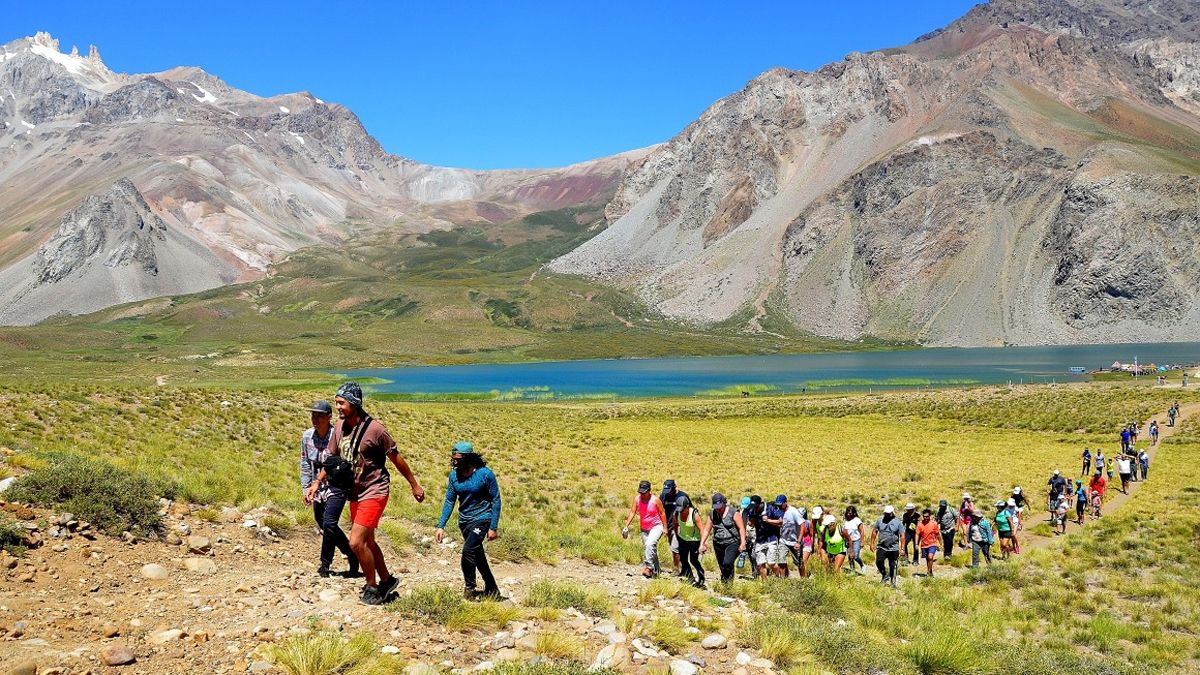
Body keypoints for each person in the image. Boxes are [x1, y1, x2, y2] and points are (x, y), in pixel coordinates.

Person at [306, 382, 427, 606]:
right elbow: (331, 460)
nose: (338, 408)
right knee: (368, 542)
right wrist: (316, 483)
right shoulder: (340, 427)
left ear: (354, 403)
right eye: (336, 403)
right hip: (355, 492)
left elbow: (396, 458)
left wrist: (414, 485)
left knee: (355, 542)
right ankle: (387, 580)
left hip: (375, 489)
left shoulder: (376, 430)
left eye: (341, 403)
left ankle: (372, 586)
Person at [300, 400, 359, 578]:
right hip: (316, 487)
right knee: (323, 522)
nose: (315, 420)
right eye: (313, 416)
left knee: (329, 522)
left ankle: (325, 564)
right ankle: (351, 553)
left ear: (329, 417)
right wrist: (306, 488)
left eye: (319, 416)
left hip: (336, 486)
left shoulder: (338, 436)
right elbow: (305, 463)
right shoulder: (306, 437)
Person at [436, 441, 502, 600]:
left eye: (457, 459)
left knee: (468, 550)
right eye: (453, 458)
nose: (454, 462)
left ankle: (470, 588)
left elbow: (496, 499)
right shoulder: (454, 476)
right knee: (477, 555)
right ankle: (492, 588)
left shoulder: (485, 474)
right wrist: (441, 525)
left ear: (468, 458)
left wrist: (493, 527)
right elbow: (450, 500)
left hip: (482, 518)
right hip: (464, 521)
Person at [623, 480, 666, 578]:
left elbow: (662, 513)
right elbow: (632, 512)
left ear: (649, 490)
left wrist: (665, 528)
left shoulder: (655, 500)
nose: (642, 494)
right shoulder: (637, 499)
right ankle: (657, 571)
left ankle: (648, 567)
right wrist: (626, 526)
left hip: (656, 526)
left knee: (650, 544)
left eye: (644, 492)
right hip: (644, 528)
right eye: (640, 492)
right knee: (650, 548)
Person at [672, 494, 709, 588]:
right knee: (683, 559)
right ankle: (690, 577)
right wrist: (677, 536)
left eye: (682, 509)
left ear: (687, 506)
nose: (681, 511)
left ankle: (701, 577)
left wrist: (703, 543)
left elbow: (702, 529)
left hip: (694, 541)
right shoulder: (677, 513)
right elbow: (675, 524)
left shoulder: (694, 515)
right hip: (683, 539)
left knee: (693, 560)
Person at [709, 493, 745, 584]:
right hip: (718, 543)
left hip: (732, 542)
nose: (718, 509)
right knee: (722, 566)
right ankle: (727, 584)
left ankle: (727, 581)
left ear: (724, 503)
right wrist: (702, 543)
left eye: (720, 506)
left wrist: (743, 542)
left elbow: (741, 528)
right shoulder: (712, 514)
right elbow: (706, 530)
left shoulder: (733, 512)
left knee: (727, 563)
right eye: (716, 507)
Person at [870, 505, 903, 587]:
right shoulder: (879, 521)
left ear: (892, 513)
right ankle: (884, 575)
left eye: (888, 513)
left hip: (893, 548)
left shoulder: (898, 522)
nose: (887, 515)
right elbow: (874, 531)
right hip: (881, 546)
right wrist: (872, 543)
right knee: (879, 562)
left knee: (893, 565)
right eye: (885, 513)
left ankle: (893, 581)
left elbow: (902, 535)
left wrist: (902, 548)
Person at [660, 480, 687, 574]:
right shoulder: (663, 496)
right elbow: (660, 510)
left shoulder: (682, 496)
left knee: (675, 547)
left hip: (681, 526)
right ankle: (680, 566)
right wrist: (664, 526)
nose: (668, 492)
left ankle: (677, 569)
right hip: (669, 525)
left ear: (674, 488)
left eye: (669, 490)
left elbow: (690, 510)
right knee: (673, 547)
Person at [759, 496, 787, 578]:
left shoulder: (779, 512)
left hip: (777, 537)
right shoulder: (770, 510)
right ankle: (781, 575)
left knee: (777, 559)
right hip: (768, 537)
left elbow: (781, 522)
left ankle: (782, 575)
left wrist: (768, 521)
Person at [777, 496, 805, 578]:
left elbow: (802, 525)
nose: (779, 506)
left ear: (785, 502)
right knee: (781, 561)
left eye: (780, 504)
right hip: (783, 540)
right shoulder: (779, 511)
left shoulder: (794, 512)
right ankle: (782, 580)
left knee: (799, 562)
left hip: (794, 542)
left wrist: (799, 542)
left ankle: (803, 579)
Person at [916, 508, 940, 577]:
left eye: (927, 516)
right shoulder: (920, 524)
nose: (925, 518)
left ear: (930, 516)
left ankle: (928, 572)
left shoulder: (934, 523)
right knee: (928, 559)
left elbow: (938, 534)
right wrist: (916, 544)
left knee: (930, 557)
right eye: (924, 516)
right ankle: (930, 571)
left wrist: (941, 544)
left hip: (932, 544)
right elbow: (917, 534)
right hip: (924, 545)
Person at [843, 506, 865, 574]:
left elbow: (862, 531)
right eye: (848, 513)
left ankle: (862, 565)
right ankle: (852, 570)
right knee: (850, 556)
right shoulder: (845, 520)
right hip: (848, 541)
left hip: (856, 540)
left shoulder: (857, 520)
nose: (849, 514)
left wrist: (862, 541)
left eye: (851, 513)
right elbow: (844, 531)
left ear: (854, 513)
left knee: (855, 556)